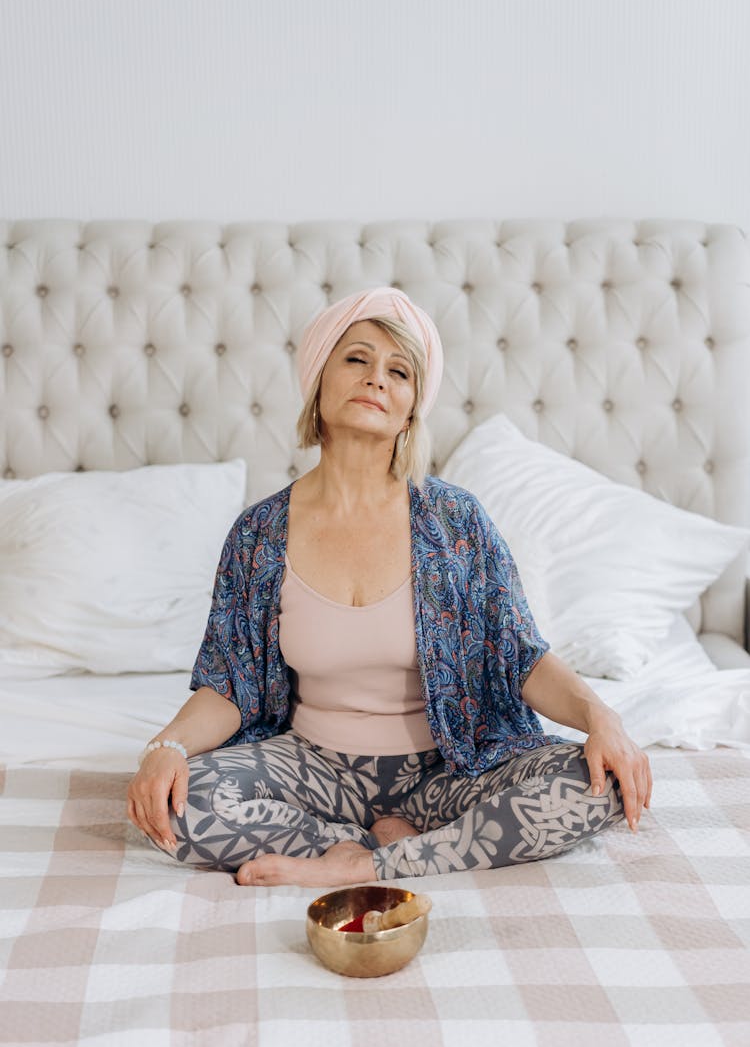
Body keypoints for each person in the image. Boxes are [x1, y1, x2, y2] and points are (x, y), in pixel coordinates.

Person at [127, 286, 652, 887]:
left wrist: (601, 717)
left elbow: (520, 659)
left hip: (447, 771)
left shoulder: (455, 520)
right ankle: (356, 847)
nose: (376, 379)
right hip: (313, 769)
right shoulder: (259, 533)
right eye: (356, 359)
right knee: (182, 803)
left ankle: (367, 865)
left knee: (596, 784)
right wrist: (164, 747)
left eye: (398, 370)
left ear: (410, 407)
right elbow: (229, 685)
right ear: (319, 379)